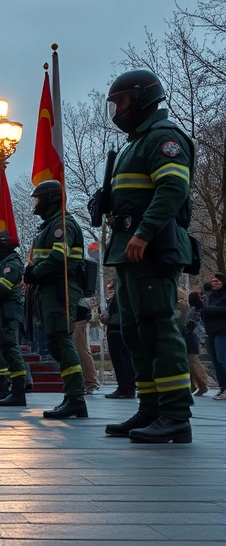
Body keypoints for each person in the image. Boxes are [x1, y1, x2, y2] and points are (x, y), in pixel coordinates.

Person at [102, 69, 194, 443]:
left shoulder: (163, 138)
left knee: (158, 329)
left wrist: (143, 232)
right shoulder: (133, 144)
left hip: (150, 247)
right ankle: (151, 407)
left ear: (141, 98)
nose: (118, 110)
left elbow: (172, 188)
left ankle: (175, 415)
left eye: (121, 102)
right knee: (136, 333)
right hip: (129, 250)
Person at [23, 179, 88, 419]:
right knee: (55, 343)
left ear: (50, 199)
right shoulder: (49, 226)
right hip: (48, 289)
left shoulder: (62, 224)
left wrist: (33, 272)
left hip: (60, 288)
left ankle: (76, 398)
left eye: (39, 199)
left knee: (61, 340)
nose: (36, 204)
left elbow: (58, 258)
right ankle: (72, 395)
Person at [0, 231, 28, 406]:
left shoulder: (12, 264)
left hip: (8, 311)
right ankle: (6, 388)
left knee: (11, 350)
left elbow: (3, 287)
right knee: (2, 353)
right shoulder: (3, 265)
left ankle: (18, 391)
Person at [100, 282, 136, 399]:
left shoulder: (120, 296)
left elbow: (117, 315)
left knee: (120, 360)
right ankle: (128, 387)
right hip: (123, 330)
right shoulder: (129, 293)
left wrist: (108, 319)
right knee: (126, 359)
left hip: (117, 331)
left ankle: (124, 388)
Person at [201, 273, 226, 400]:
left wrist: (209, 309)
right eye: (212, 282)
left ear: (222, 282)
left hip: (222, 330)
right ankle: (222, 388)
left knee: (222, 360)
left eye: (216, 281)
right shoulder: (211, 296)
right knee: (215, 361)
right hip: (211, 331)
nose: (213, 284)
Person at [185, 291, 210, 397]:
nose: (203, 298)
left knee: (193, 361)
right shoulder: (199, 309)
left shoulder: (193, 310)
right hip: (194, 336)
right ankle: (196, 385)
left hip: (191, 337)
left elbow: (189, 325)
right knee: (191, 361)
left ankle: (202, 384)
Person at [73, 298, 99, 394]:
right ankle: (89, 381)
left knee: (81, 349)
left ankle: (90, 382)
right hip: (76, 310)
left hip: (77, 313)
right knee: (80, 349)